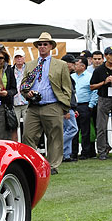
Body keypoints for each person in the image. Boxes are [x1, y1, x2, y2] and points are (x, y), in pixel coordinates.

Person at [20, 32, 72, 174]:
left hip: (53, 105)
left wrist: (64, 106)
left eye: (45, 44)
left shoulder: (60, 65)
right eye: (40, 44)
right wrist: (27, 93)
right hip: (34, 107)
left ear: (50, 47)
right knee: (28, 136)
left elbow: (67, 87)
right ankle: (32, 164)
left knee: (55, 136)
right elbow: (23, 86)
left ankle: (53, 165)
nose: (42, 47)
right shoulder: (30, 65)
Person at [71, 56, 98, 160]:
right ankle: (73, 153)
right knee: (74, 130)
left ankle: (86, 152)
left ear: (83, 66)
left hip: (85, 106)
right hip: (73, 106)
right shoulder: (71, 76)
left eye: (76, 64)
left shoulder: (89, 76)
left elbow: (94, 91)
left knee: (85, 130)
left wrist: (91, 105)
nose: (74, 66)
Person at [60, 54, 80, 162]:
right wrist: (66, 110)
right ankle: (58, 149)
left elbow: (71, 95)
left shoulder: (68, 76)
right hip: (66, 108)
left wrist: (74, 107)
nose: (74, 64)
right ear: (66, 64)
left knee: (67, 129)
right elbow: (64, 95)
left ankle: (65, 155)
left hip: (70, 107)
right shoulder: (63, 77)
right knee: (72, 129)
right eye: (72, 63)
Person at [11, 51, 27, 141]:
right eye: (17, 57)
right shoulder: (10, 70)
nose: (19, 59)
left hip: (27, 101)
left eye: (20, 57)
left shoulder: (29, 69)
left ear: (24, 58)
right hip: (14, 102)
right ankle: (15, 147)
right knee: (13, 126)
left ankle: (28, 147)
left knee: (28, 126)